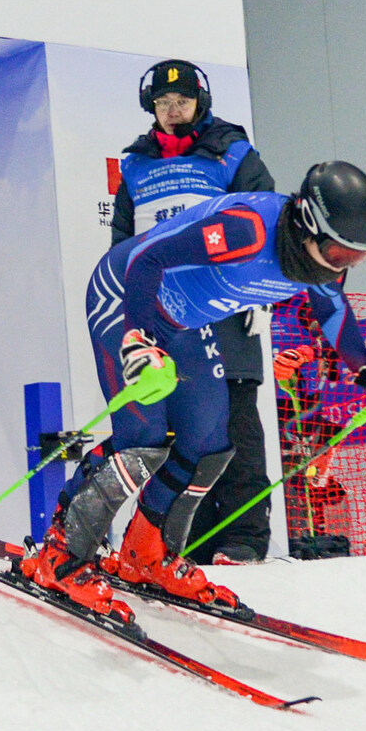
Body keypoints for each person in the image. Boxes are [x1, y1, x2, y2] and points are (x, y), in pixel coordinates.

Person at [22, 161, 366, 621]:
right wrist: (138, 339)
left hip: (184, 321)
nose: (342, 266)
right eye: (338, 254)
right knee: (143, 443)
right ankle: (61, 554)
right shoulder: (246, 231)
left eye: (356, 258)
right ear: (309, 224)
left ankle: (147, 555)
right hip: (126, 296)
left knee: (210, 443)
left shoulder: (319, 262)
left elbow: (332, 309)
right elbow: (145, 260)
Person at [109, 59, 277, 564]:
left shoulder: (232, 152)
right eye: (163, 104)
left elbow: (268, 220)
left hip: (225, 307)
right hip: (163, 312)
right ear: (152, 109)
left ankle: (244, 539)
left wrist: (260, 295)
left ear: (200, 103)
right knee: (184, 424)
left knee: (237, 424)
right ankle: (189, 543)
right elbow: (122, 243)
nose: (173, 111)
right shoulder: (134, 167)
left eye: (182, 102)